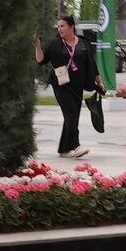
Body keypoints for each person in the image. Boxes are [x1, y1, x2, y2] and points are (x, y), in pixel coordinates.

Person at [36, 15, 101, 159]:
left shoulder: (83, 43)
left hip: (77, 86)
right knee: (70, 114)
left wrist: (99, 82)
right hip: (61, 85)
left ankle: (64, 149)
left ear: (71, 27)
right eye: (58, 26)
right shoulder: (56, 44)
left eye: (62, 26)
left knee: (73, 117)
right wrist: (37, 46)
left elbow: (92, 64)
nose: (59, 29)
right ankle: (76, 146)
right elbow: (41, 60)